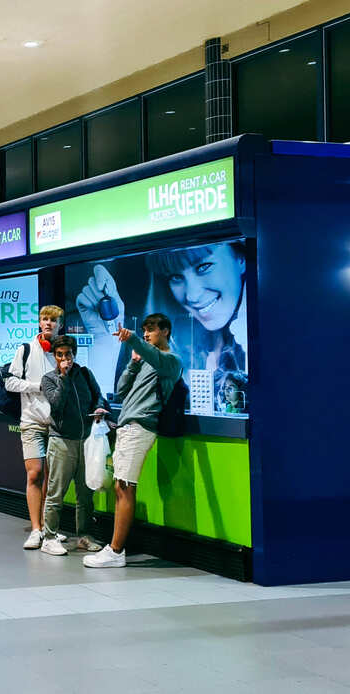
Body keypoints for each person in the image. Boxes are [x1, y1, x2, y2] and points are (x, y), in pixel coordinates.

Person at [76, 240, 247, 414]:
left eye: (204, 267)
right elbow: (119, 395)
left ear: (241, 258)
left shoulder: (172, 360)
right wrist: (104, 342)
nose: (192, 295)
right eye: (176, 277)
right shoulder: (182, 350)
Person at [85, 313, 182, 569]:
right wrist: (133, 363)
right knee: (120, 487)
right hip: (127, 427)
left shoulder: (171, 362)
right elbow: (121, 390)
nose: (147, 333)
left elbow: (156, 356)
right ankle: (114, 549)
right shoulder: (145, 363)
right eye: (144, 330)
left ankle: (116, 551)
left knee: (126, 487)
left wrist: (133, 340)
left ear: (166, 331)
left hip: (141, 428)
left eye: (151, 329)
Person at [37, 335, 110, 556]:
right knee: (56, 493)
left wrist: (98, 408)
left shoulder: (85, 374)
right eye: (60, 355)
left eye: (68, 354)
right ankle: (49, 537)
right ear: (54, 356)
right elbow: (57, 404)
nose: (64, 358)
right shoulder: (49, 379)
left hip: (86, 441)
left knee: (85, 494)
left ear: (74, 354)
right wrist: (64, 378)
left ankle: (85, 536)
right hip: (61, 441)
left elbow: (99, 396)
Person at [3, 304, 61, 549]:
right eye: (45, 319)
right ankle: (35, 530)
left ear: (59, 324)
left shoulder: (63, 351)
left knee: (52, 478)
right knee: (35, 473)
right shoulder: (25, 349)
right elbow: (10, 382)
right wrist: (37, 386)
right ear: (39, 322)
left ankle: (49, 529)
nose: (48, 323)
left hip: (58, 424)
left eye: (53, 320)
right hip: (31, 422)